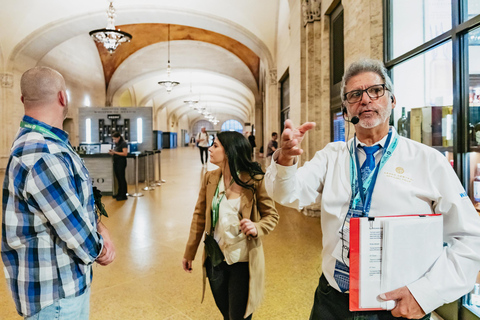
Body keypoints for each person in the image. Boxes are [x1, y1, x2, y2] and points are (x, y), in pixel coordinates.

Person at [265, 59, 480, 320]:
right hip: (333, 302)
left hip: (398, 306)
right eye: (355, 95)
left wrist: (425, 293)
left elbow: (470, 237)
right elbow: (288, 194)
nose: (365, 100)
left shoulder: (427, 161)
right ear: (346, 110)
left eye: (375, 91)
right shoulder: (332, 156)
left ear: (391, 101)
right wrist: (286, 159)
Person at [1, 66, 116, 319]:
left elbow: (74, 199)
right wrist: (101, 248)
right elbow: (74, 229)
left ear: (23, 100)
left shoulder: (47, 144)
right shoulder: (42, 153)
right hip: (55, 293)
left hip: (64, 283)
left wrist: (99, 225)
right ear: (63, 97)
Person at [183, 131, 279, 320]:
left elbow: (271, 215)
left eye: (216, 145)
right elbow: (199, 217)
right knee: (226, 313)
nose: (210, 148)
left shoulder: (255, 180)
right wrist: (189, 252)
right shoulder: (210, 178)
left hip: (242, 262)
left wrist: (256, 227)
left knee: (239, 316)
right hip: (216, 259)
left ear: (230, 151)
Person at [109, 131, 128, 201]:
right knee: (118, 179)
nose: (114, 140)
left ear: (119, 137)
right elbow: (117, 152)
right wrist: (113, 152)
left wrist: (115, 152)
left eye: (115, 139)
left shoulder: (123, 143)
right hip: (116, 162)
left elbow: (125, 153)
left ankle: (123, 195)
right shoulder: (117, 144)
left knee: (121, 178)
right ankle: (119, 193)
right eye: (113, 139)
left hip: (121, 163)